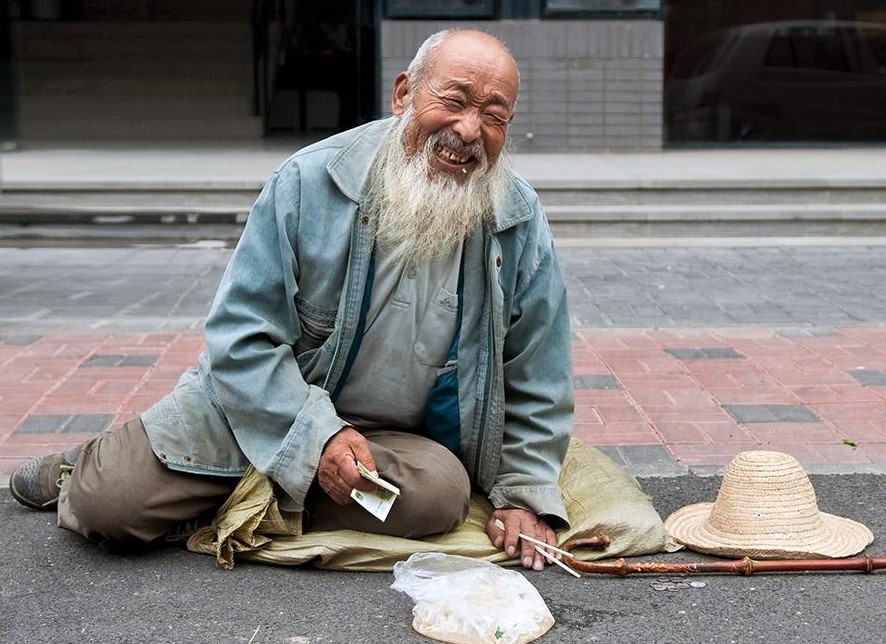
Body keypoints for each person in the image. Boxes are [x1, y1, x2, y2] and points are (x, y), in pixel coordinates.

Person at [9, 29, 574, 571]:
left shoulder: (516, 218)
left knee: (439, 496)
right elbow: (240, 337)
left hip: (386, 443)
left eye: (495, 116)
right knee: (107, 509)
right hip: (260, 406)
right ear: (403, 93)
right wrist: (316, 437)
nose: (470, 130)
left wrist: (523, 492)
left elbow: (538, 370)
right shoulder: (308, 182)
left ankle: (230, 501)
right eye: (453, 101)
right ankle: (82, 467)